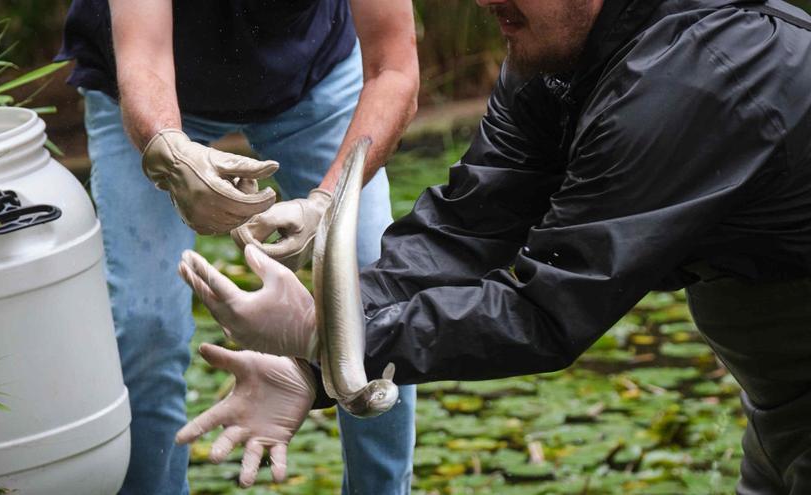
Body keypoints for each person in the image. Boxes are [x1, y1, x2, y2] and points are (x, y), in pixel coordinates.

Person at [176, 0, 811, 492]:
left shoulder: (700, 77)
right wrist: (310, 364)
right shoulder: (557, 52)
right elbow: (463, 225)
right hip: (776, 389)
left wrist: (329, 337)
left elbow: (546, 310)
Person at [55, 0, 419, 493]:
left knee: (370, 292)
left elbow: (394, 70)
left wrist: (328, 203)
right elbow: (142, 58)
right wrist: (172, 151)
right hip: (146, 82)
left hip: (315, 80)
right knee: (146, 326)